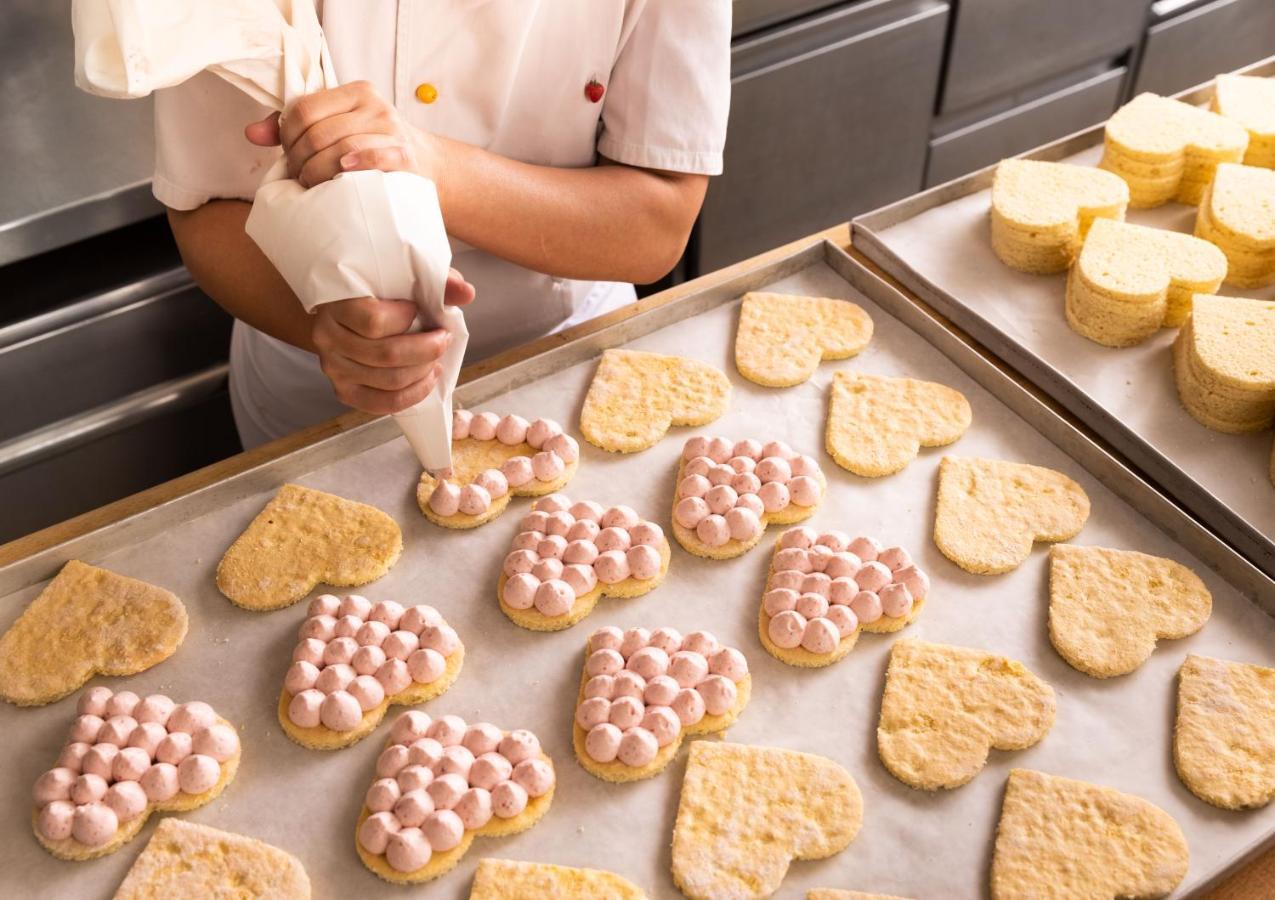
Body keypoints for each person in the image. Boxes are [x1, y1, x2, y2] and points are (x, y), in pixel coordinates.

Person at [152, 1, 731, 448]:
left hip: (570, 370)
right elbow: (205, 209)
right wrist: (338, 336)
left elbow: (657, 220)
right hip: (319, 394)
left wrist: (426, 163)